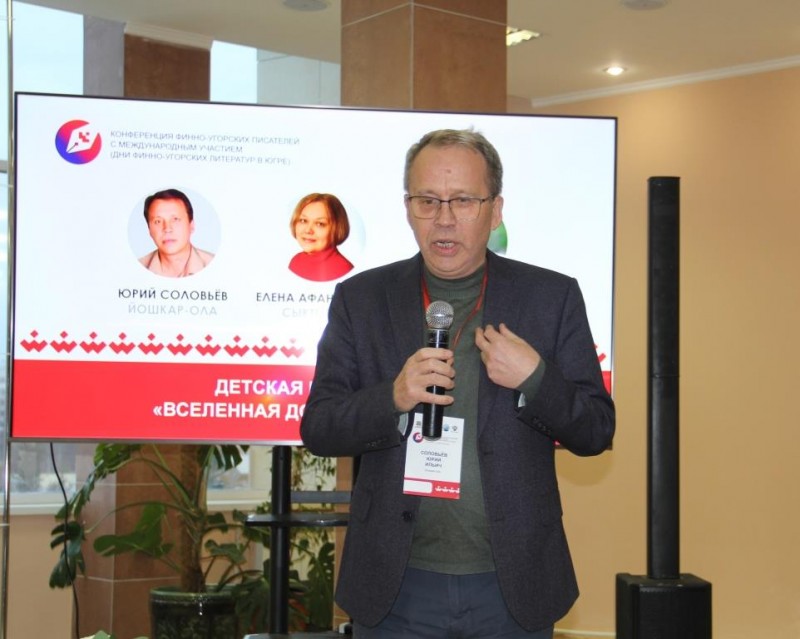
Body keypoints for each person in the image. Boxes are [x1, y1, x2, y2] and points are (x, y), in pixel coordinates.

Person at [300, 129, 615, 638]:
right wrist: (392, 397)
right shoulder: (362, 298)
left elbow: (596, 429)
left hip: (512, 583)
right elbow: (319, 427)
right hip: (395, 583)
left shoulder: (550, 297)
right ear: (408, 208)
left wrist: (536, 379)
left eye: (464, 200)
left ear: (496, 210)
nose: (444, 219)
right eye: (427, 200)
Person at [139, 188, 215, 277]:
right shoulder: (136, 269)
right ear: (149, 230)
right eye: (158, 221)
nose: (167, 229)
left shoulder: (216, 266)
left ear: (191, 225)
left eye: (175, 219)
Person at [288, 192, 354, 282]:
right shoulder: (296, 261)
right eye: (303, 220)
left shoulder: (344, 269)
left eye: (320, 224)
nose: (308, 230)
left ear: (337, 228)